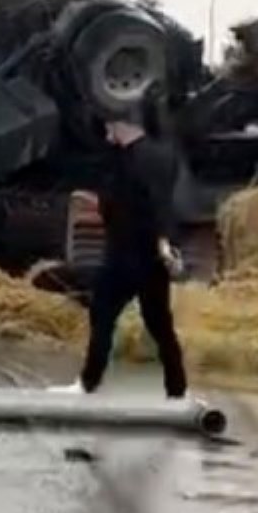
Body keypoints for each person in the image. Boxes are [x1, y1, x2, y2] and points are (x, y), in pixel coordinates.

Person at [54, 104, 188, 399]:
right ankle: (177, 389)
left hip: (130, 252)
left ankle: (88, 383)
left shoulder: (141, 159)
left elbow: (159, 203)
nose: (105, 133)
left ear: (120, 125)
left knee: (103, 313)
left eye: (108, 127)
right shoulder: (147, 154)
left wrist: (166, 241)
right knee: (159, 324)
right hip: (146, 254)